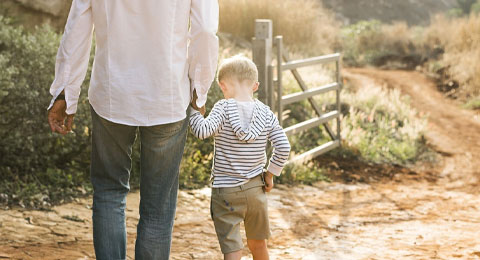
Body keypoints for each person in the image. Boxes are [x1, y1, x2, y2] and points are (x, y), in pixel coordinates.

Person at [46, 0, 219, 259]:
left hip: (112, 95)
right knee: (158, 207)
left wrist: (65, 92)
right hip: (167, 97)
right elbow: (205, 30)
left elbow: (77, 26)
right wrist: (199, 89)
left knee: (108, 192)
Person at [189, 55, 291, 260]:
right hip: (256, 190)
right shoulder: (266, 113)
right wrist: (270, 175)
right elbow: (283, 146)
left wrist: (193, 111)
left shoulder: (222, 109)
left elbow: (201, 131)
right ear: (255, 86)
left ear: (222, 86)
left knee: (233, 249)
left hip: (226, 192)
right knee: (259, 244)